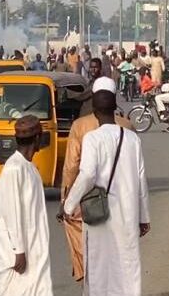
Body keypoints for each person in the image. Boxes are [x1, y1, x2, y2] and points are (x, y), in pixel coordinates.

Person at [63, 90, 150, 295]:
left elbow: (86, 176)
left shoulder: (92, 138)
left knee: (99, 265)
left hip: (99, 213)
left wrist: (68, 204)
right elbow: (141, 180)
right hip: (128, 213)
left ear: (94, 111)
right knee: (128, 264)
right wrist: (144, 217)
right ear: (115, 109)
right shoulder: (132, 139)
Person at [59, 77, 133, 283]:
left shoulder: (80, 126)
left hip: (91, 201)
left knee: (79, 233)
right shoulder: (127, 126)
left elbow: (72, 166)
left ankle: (86, 272)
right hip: (123, 203)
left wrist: (66, 200)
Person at [0, 115, 53, 296]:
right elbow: (11, 212)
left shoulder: (29, 167)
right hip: (19, 249)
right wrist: (19, 250)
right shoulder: (14, 168)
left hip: (34, 245)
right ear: (37, 138)